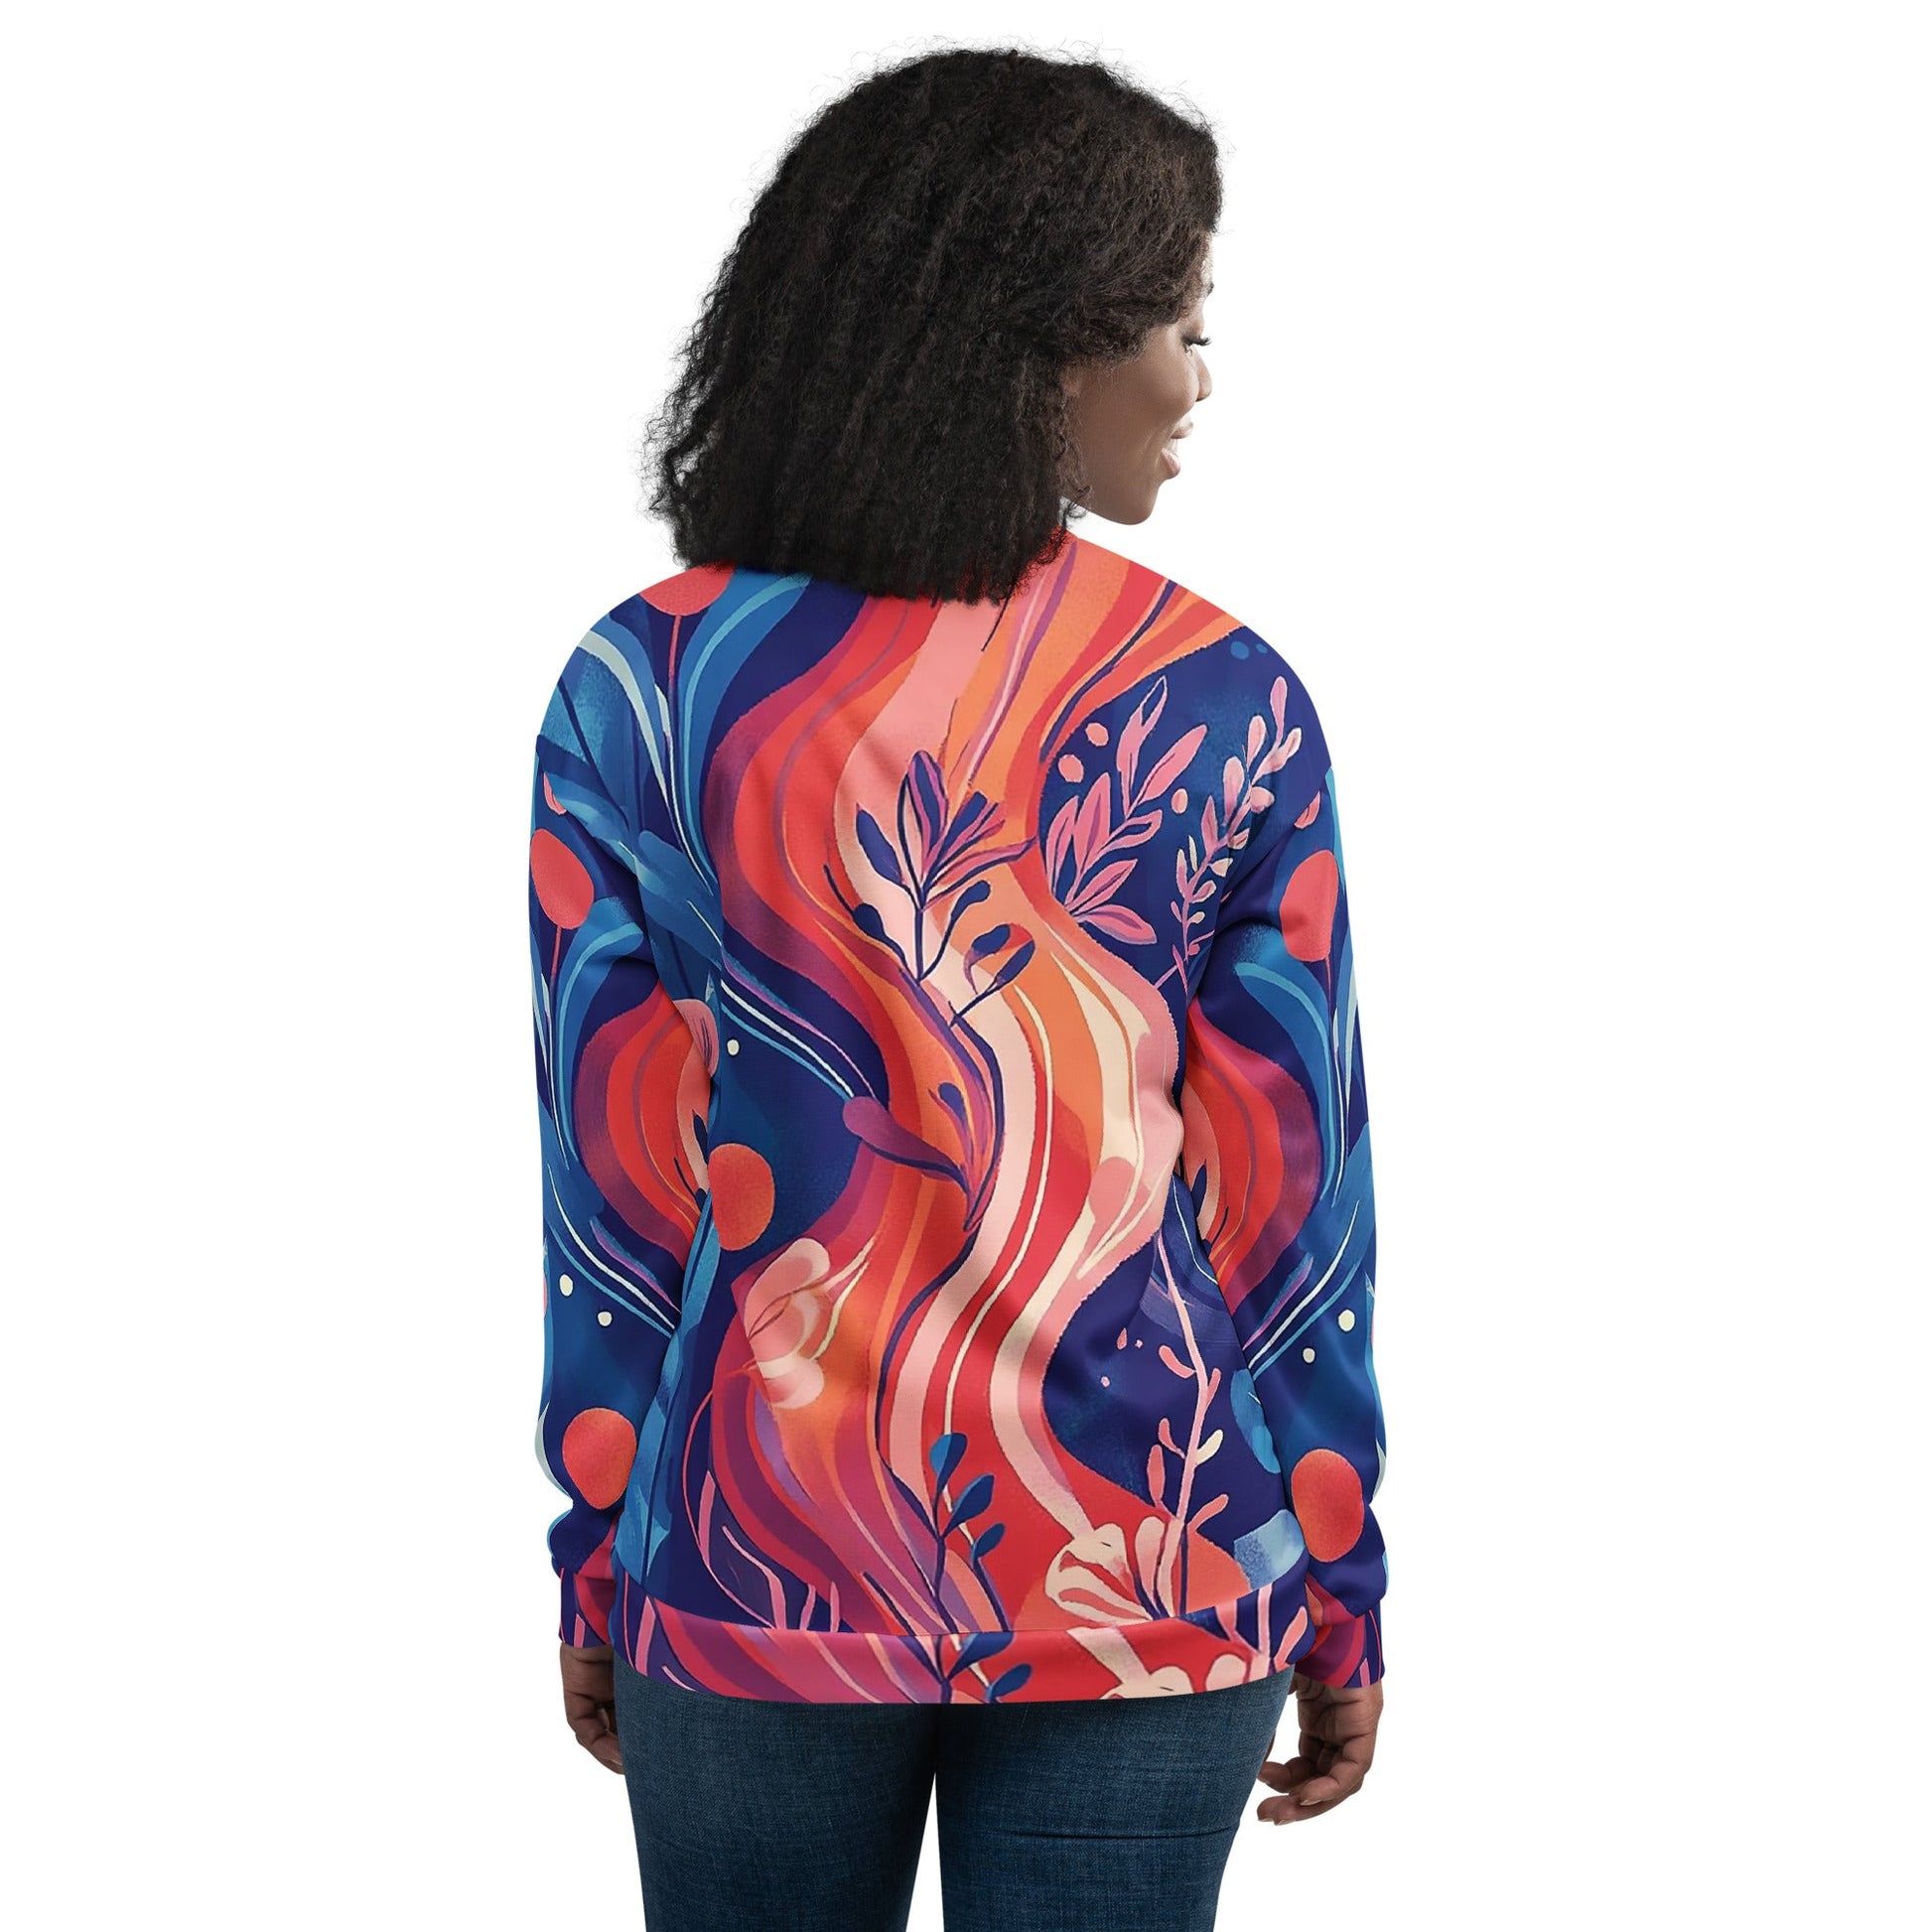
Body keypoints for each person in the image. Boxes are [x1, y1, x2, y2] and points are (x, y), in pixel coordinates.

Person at [526, 44, 1387, 1932]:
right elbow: (1287, 1198)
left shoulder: (646, 687)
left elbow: (613, 1181)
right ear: (1045, 344)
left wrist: (602, 1546)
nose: (1197, 381)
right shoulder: (1218, 694)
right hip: (1151, 1555)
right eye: (1179, 325)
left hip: (746, 1557)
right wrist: (1336, 1562)